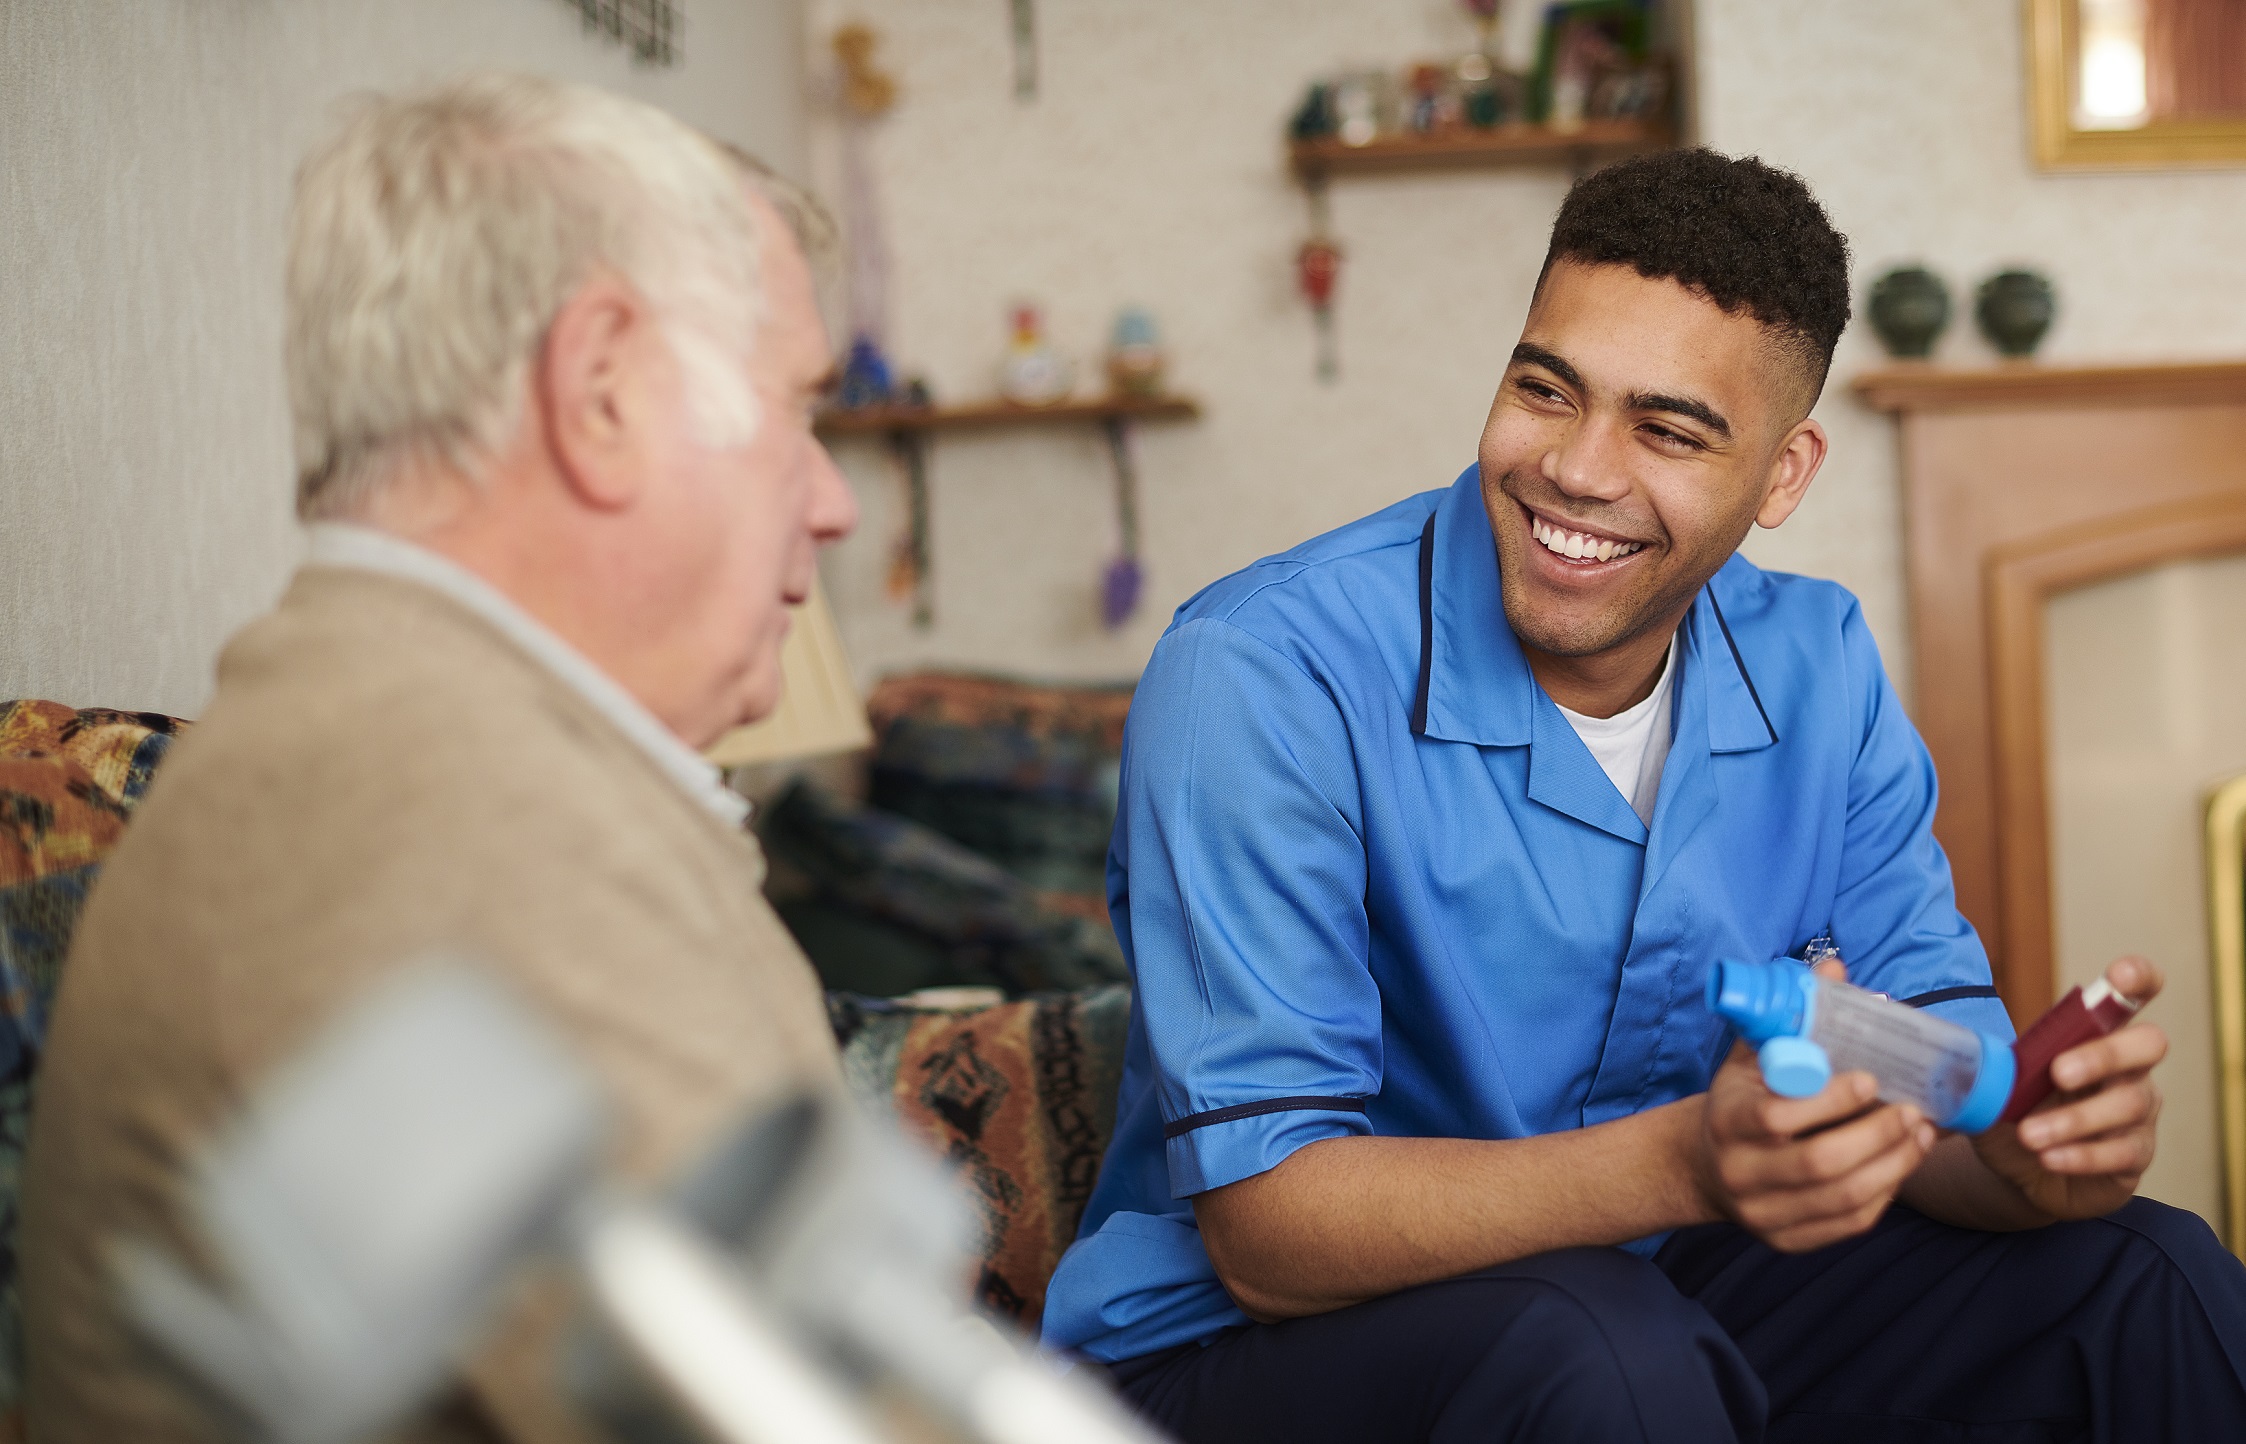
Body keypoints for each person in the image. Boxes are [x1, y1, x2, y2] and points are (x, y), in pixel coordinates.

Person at [1042, 148, 2246, 1442]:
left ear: (1782, 477)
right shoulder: (1260, 674)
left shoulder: (1820, 667)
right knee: (1604, 1353)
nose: (1576, 468)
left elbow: (1924, 1096)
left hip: (1660, 1288)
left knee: (2147, 1275)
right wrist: (1689, 1158)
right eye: (1543, 389)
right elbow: (1268, 1234)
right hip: (1249, 1346)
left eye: (1665, 429)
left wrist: (2019, 1155)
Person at [22, 74, 857, 1443]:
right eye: (798, 410)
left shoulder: (397, 725)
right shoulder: (470, 822)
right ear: (601, 394)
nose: (830, 500)